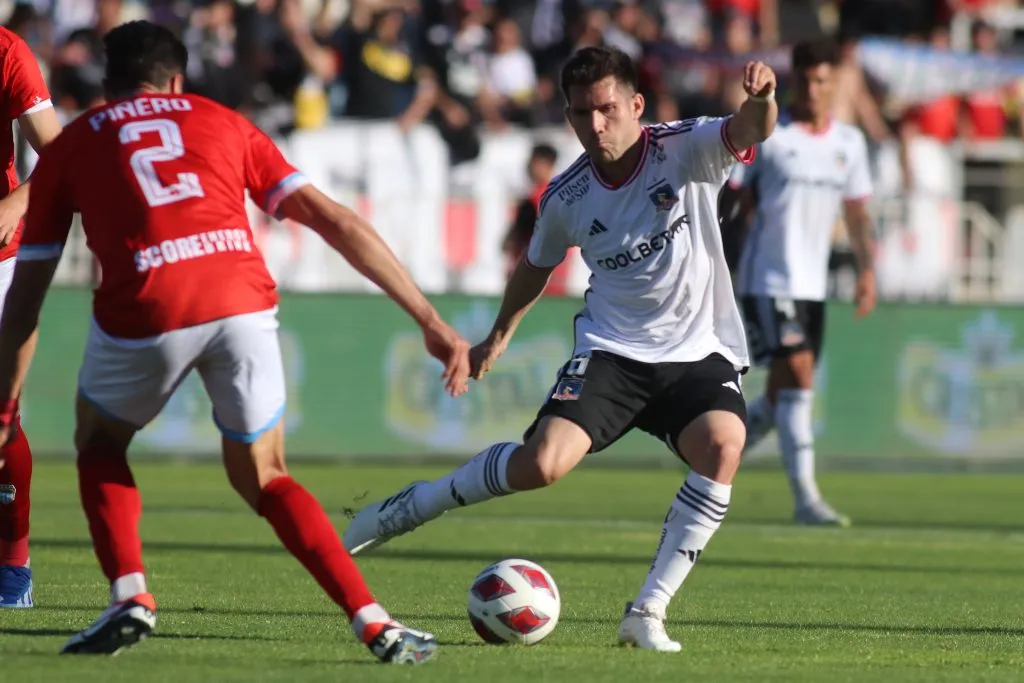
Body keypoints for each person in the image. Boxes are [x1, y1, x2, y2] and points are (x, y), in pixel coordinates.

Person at [0, 21, 470, 661]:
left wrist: (5, 405)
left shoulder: (75, 145)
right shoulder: (222, 120)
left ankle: (131, 595)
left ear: (107, 88)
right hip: (240, 300)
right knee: (266, 475)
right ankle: (375, 623)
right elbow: (334, 219)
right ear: (176, 80)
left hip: (147, 304)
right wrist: (430, 320)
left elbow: (25, 297)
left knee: (102, 442)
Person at [344, 45, 777, 652]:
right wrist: (498, 336)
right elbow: (534, 267)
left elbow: (749, 130)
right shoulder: (567, 197)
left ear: (635, 105)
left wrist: (761, 99)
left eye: (605, 110)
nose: (594, 126)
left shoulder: (686, 147)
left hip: (695, 350)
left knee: (725, 444)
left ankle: (647, 611)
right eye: (579, 114)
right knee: (541, 465)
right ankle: (415, 505)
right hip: (612, 352)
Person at [721, 39, 877, 526]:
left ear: (833, 84)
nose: (813, 88)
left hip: (814, 285)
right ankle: (806, 500)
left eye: (822, 80)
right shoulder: (771, 134)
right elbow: (733, 201)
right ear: (794, 81)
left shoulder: (848, 143)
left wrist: (868, 270)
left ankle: (719, 450)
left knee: (782, 393)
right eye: (806, 79)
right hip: (767, 277)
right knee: (801, 377)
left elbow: (857, 213)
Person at [0, 26, 63, 608]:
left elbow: (60, 151)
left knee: (0, 416)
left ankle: (12, 564)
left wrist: (18, 200)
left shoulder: (6, 51)